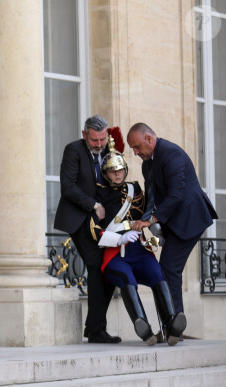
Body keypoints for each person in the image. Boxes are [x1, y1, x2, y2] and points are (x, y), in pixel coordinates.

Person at [90, 134, 186, 346]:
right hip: (116, 254)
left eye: (120, 170)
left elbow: (143, 220)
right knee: (126, 278)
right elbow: (95, 231)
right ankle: (143, 326)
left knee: (157, 274)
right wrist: (119, 238)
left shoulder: (135, 190)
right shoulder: (99, 195)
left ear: (125, 169)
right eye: (112, 171)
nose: (117, 174)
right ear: (105, 173)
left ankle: (171, 324)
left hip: (140, 250)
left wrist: (155, 239)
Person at [127, 123, 218, 318]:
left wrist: (150, 220)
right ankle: (172, 324)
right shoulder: (147, 163)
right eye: (132, 148)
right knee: (165, 270)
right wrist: (137, 218)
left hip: (189, 219)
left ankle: (174, 324)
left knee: (168, 268)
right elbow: (151, 198)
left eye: (137, 147)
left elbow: (175, 195)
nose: (135, 152)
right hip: (172, 220)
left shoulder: (171, 154)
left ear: (149, 139)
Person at [54, 115, 121, 343]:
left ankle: (94, 325)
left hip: (104, 221)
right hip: (80, 217)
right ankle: (96, 330)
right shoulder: (73, 150)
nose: (99, 144)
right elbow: (68, 187)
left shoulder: (108, 153)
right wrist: (94, 205)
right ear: (85, 135)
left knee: (110, 268)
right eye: (94, 140)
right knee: (95, 265)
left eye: (102, 139)